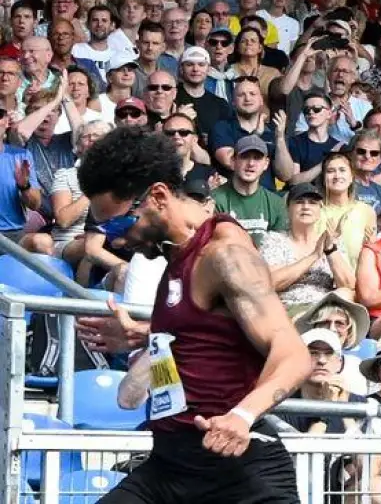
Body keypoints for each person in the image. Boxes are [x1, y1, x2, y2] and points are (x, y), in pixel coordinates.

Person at [72, 126, 312, 503]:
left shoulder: (223, 256)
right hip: (170, 467)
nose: (116, 240)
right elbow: (213, 328)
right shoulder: (173, 255)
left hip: (238, 473)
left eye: (119, 224)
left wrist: (243, 416)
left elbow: (294, 354)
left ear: (158, 197)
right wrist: (147, 334)